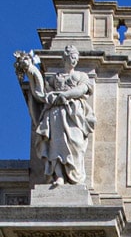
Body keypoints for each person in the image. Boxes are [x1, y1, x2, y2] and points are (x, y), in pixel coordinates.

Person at [14, 45, 95, 185]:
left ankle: (73, 175)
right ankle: (59, 176)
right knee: (55, 145)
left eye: (76, 57)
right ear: (65, 58)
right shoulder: (56, 78)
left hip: (73, 115)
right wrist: (32, 70)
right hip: (55, 114)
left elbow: (82, 89)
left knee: (75, 145)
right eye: (71, 57)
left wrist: (65, 94)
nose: (74, 60)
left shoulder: (82, 76)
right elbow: (42, 93)